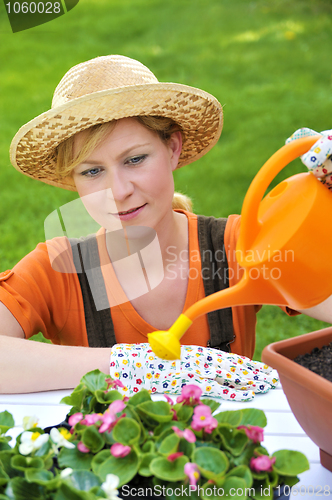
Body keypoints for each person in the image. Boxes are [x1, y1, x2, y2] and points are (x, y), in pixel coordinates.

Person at [1, 55, 331, 396]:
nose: (119, 191)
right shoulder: (58, 272)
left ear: (173, 148)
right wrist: (132, 364)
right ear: (74, 181)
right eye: (92, 171)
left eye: (134, 159)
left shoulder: (239, 246)